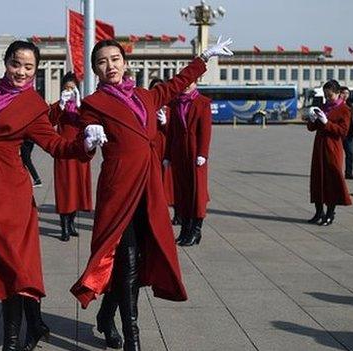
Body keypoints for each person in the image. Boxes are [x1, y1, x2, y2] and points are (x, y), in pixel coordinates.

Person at [70, 37, 232, 351]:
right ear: (95, 69)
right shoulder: (93, 103)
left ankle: (106, 316)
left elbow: (178, 82)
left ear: (124, 63)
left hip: (149, 191)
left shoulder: (146, 96)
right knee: (128, 263)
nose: (110, 66)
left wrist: (204, 57)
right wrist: (89, 135)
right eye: (102, 62)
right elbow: (85, 134)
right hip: (120, 193)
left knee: (138, 262)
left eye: (115, 59)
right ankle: (133, 339)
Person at [0, 40, 104, 351]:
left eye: (28, 67)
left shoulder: (33, 106)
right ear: (5, 62)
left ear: (36, 70)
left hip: (10, 190)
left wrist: (85, 145)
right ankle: (35, 323)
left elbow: (57, 145)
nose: (21, 71)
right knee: (9, 260)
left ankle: (11, 341)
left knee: (14, 264)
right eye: (16, 64)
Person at [164, 81, 212, 246]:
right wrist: (168, 154)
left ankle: (195, 230)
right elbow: (172, 131)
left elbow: (205, 130)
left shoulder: (202, 103)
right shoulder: (176, 102)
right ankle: (185, 229)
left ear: (195, 83)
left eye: (190, 82)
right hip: (179, 153)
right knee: (182, 193)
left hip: (195, 152)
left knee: (196, 192)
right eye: (184, 82)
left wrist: (202, 153)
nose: (186, 85)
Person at [49, 72, 93, 241]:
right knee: (64, 189)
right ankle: (64, 227)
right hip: (63, 151)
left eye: (72, 88)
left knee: (77, 188)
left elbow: (88, 122)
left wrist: (80, 104)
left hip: (79, 151)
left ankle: (72, 223)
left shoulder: (82, 108)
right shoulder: (58, 106)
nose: (69, 90)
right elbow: (50, 121)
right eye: (66, 87)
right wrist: (60, 104)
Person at [307, 80, 352, 226]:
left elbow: (343, 131)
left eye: (330, 95)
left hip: (333, 148)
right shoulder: (323, 106)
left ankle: (330, 213)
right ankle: (318, 211)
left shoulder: (345, 109)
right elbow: (312, 128)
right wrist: (312, 120)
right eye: (325, 95)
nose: (327, 98)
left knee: (332, 179)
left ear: (338, 93)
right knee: (317, 178)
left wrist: (327, 123)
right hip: (319, 146)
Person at [148, 78, 176, 215]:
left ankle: (173, 208)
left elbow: (174, 131)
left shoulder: (169, 108)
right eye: (154, 88)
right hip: (152, 147)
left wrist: (165, 122)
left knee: (167, 178)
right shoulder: (147, 107)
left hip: (165, 147)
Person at [340, 87, 353, 179]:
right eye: (343, 93)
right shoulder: (337, 104)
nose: (345, 95)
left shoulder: (350, 104)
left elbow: (352, 119)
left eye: (347, 93)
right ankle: (336, 172)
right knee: (338, 155)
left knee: (350, 154)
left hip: (349, 134)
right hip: (339, 133)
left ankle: (348, 173)